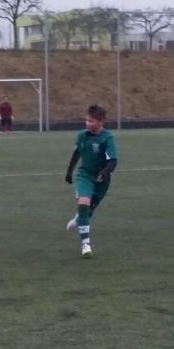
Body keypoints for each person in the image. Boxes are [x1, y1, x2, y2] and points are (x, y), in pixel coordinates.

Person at [64, 105, 118, 259]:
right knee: (83, 203)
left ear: (101, 122)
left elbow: (113, 161)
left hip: (102, 179)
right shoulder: (82, 135)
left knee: (88, 211)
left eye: (91, 121)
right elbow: (76, 154)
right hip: (85, 175)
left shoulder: (107, 138)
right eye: (86, 120)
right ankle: (85, 245)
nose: (87, 123)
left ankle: (79, 219)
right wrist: (69, 172)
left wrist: (104, 172)